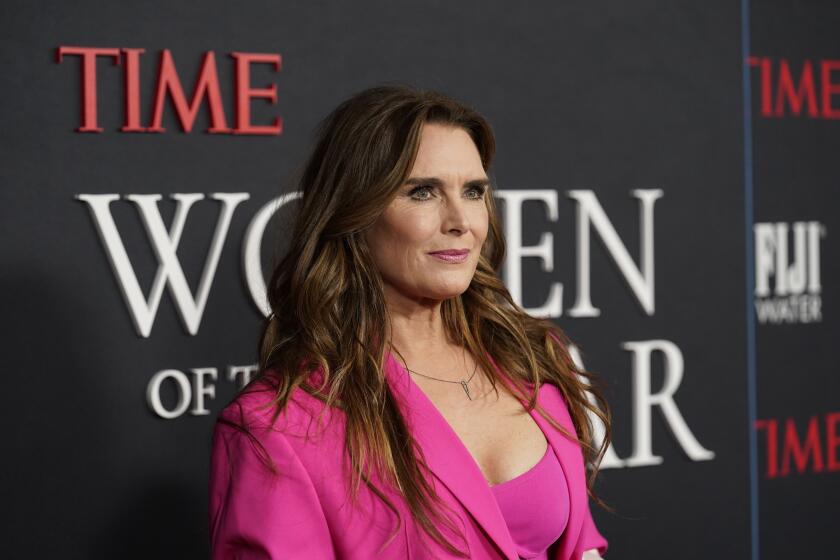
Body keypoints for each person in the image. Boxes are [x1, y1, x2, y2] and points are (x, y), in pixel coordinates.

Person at [208, 84, 613, 559]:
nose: (461, 220)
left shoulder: (531, 358)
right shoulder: (278, 430)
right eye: (422, 192)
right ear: (354, 212)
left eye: (473, 191)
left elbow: (581, 548)